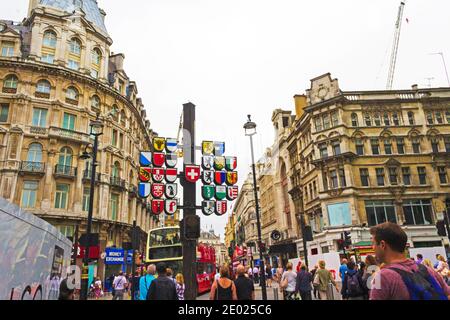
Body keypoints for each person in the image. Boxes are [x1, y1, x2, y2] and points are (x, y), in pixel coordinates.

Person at [369, 222, 450, 300]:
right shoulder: (427, 269)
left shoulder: (382, 277)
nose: (372, 247)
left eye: (373, 243)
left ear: (383, 245)